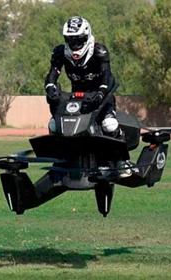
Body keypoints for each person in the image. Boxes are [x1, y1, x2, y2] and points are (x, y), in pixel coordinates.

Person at [44, 16, 131, 176]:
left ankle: (122, 161)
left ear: (86, 36)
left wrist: (100, 93)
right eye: (71, 40)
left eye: (79, 40)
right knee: (54, 126)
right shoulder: (59, 52)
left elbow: (107, 76)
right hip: (76, 98)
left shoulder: (99, 52)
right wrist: (50, 88)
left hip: (101, 97)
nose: (75, 45)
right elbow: (52, 74)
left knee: (109, 125)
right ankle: (61, 161)